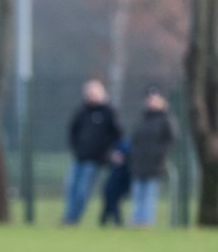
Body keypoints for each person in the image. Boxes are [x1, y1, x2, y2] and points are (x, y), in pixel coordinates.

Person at [61, 79, 122, 226]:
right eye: (89, 93)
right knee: (70, 188)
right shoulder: (82, 111)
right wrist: (75, 148)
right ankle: (68, 217)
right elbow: (72, 131)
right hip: (79, 157)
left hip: (94, 160)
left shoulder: (108, 112)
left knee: (82, 191)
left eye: (94, 93)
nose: (91, 96)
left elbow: (117, 135)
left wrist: (107, 152)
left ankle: (73, 219)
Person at [127, 88, 175, 228]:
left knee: (149, 194)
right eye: (150, 100)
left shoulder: (166, 119)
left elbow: (172, 137)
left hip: (154, 163)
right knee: (137, 194)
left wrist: (160, 155)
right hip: (139, 163)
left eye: (155, 100)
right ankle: (136, 220)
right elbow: (134, 139)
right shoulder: (142, 118)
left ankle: (146, 221)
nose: (152, 103)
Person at [98, 139, 132, 227]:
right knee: (108, 206)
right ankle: (104, 222)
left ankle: (117, 222)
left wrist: (125, 192)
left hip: (117, 191)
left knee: (114, 205)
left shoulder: (126, 170)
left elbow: (126, 183)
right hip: (109, 190)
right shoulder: (113, 166)